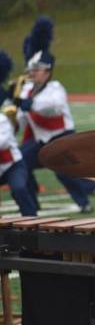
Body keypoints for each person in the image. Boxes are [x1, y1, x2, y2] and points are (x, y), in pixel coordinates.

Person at [17, 16, 95, 213]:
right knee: (19, 164)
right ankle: (31, 206)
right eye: (32, 69)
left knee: (63, 171)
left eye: (38, 70)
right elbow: (20, 118)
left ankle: (83, 201)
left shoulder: (55, 88)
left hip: (62, 139)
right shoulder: (27, 90)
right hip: (42, 141)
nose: (33, 73)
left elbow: (53, 105)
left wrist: (31, 104)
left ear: (47, 72)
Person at [0, 50, 37, 216]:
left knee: (19, 189)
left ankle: (32, 221)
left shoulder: (1, 119)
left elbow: (4, 141)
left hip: (12, 166)